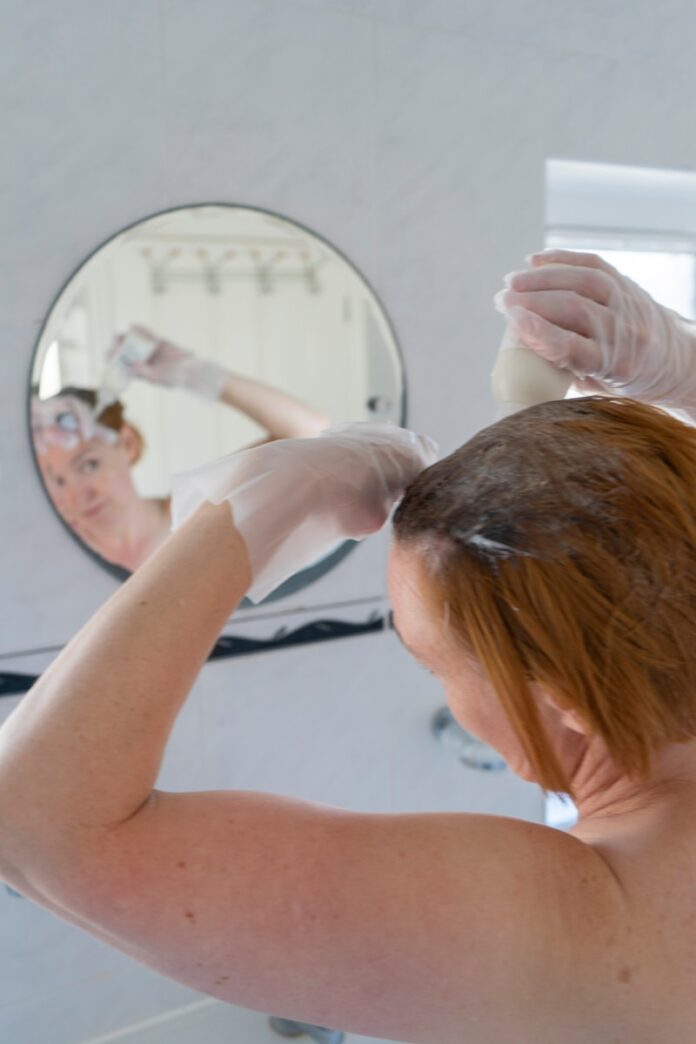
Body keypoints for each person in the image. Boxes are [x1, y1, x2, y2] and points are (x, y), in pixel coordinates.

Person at [3, 256, 696, 1042]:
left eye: (432, 660)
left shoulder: (586, 922)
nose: (448, 701)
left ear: (562, 689)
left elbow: (35, 824)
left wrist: (246, 514)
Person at [32, 326, 330, 571]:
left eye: (88, 465)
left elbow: (316, 437)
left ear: (127, 443)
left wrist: (195, 373)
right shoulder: (55, 561)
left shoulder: (199, 513)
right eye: (56, 480)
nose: (76, 496)